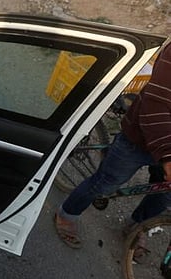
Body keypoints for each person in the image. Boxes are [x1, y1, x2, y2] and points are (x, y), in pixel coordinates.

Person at [54, 42, 171, 248]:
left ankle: (136, 227)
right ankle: (67, 214)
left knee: (164, 195)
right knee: (105, 183)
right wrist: (168, 157)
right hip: (141, 138)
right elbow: (156, 104)